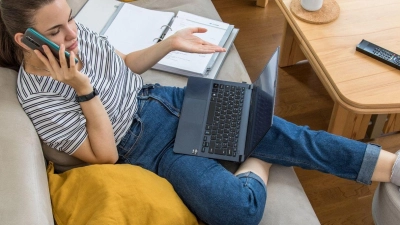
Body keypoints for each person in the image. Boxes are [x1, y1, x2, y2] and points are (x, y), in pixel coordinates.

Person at [1, 0, 399, 224]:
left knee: (295, 137)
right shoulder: (37, 97)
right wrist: (83, 89)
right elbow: (105, 155)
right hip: (146, 148)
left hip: (164, 100)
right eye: (55, 32)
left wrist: (169, 44)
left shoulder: (77, 35)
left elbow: (125, 66)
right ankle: (260, 156)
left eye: (70, 18)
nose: (72, 34)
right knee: (236, 213)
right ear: (26, 39)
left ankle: (392, 167)